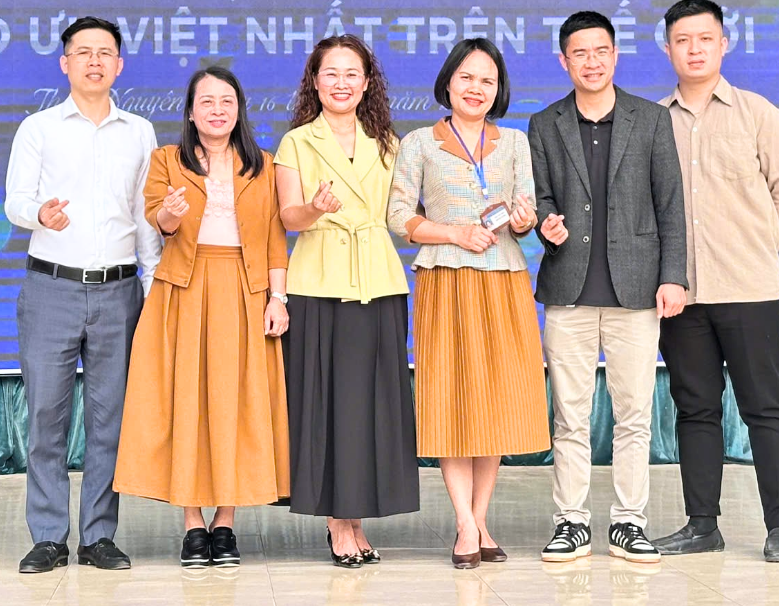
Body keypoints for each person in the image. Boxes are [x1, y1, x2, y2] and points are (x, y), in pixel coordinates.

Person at [113, 65, 291, 568]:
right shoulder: (167, 160)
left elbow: (275, 239)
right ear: (191, 112)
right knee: (185, 402)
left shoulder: (263, 164)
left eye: (226, 101)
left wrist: (278, 298)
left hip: (243, 289)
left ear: (239, 110)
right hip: (183, 290)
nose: (217, 110)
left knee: (236, 404)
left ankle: (225, 522)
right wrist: (170, 213)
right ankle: (193, 524)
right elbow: (158, 221)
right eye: (206, 101)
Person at [651, 0, 779, 564]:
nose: (694, 49)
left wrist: (759, 247)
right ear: (667, 48)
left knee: (765, 407)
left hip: (750, 289)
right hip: (681, 293)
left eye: (704, 39)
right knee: (695, 409)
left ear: (724, 44)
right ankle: (702, 525)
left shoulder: (758, 113)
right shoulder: (653, 121)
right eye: (682, 40)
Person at [3, 16, 160, 574]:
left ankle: (98, 536)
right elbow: (14, 200)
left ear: (119, 65)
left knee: (109, 419)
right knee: (46, 416)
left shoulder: (139, 132)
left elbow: (145, 217)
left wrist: (153, 284)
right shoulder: (39, 129)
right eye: (83, 51)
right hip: (52, 287)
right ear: (65, 63)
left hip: (119, 291)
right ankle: (48, 536)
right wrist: (38, 213)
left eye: (105, 52)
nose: (95, 61)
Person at [387, 38, 552, 568]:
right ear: (448, 83)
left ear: (498, 89)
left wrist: (525, 220)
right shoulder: (419, 142)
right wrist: (455, 233)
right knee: (453, 400)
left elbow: (525, 212)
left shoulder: (515, 142)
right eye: (466, 78)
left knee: (495, 400)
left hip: (503, 279)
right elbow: (398, 217)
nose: (476, 88)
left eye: (487, 80)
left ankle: (481, 520)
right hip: (446, 280)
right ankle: (463, 523)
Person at [530, 11, 686, 566]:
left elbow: (671, 202)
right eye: (580, 53)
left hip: (637, 290)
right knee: (569, 416)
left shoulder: (651, 119)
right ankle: (570, 523)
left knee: (634, 415)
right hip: (568, 290)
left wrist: (674, 276)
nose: (591, 62)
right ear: (564, 61)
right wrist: (546, 224)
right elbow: (540, 197)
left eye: (601, 51)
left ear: (615, 55)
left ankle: (628, 523)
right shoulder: (544, 123)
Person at [274, 34, 419, 566]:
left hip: (378, 280)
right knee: (329, 404)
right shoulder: (296, 143)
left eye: (351, 73)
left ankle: (357, 517)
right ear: (314, 82)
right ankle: (338, 522)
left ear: (367, 82)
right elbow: (288, 217)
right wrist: (315, 208)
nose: (341, 83)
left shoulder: (388, 142)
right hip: (319, 282)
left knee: (371, 405)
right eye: (330, 73)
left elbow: (401, 213)